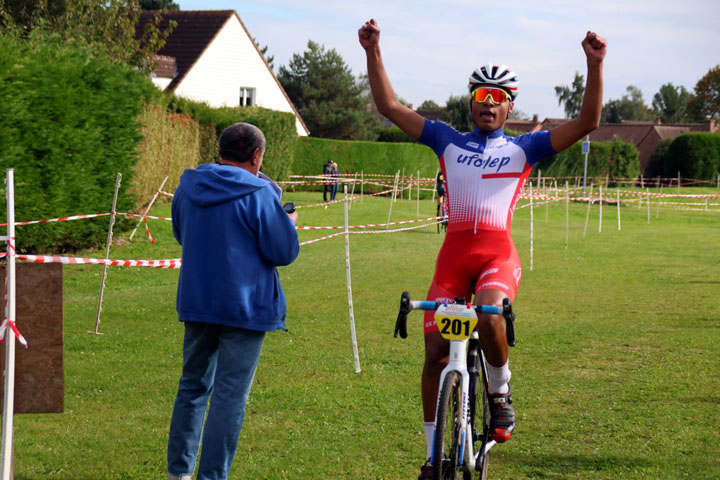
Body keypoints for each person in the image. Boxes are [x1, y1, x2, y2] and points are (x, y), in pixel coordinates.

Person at [359, 19, 606, 479]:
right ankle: (433, 457)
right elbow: (389, 106)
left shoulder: (524, 148)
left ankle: (498, 391)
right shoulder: (446, 140)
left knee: (491, 316)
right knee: (434, 352)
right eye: (481, 96)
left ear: (509, 106)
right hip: (452, 260)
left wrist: (594, 65)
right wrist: (374, 51)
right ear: (471, 100)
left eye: (497, 98)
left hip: (496, 255)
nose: (488, 105)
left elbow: (588, 121)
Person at [167, 122, 300, 480]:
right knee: (228, 397)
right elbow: (283, 251)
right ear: (256, 156)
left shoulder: (189, 186)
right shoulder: (260, 194)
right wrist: (290, 223)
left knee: (192, 387)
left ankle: (178, 473)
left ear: (219, 152)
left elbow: (181, 231)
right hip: (245, 307)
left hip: (198, 299)